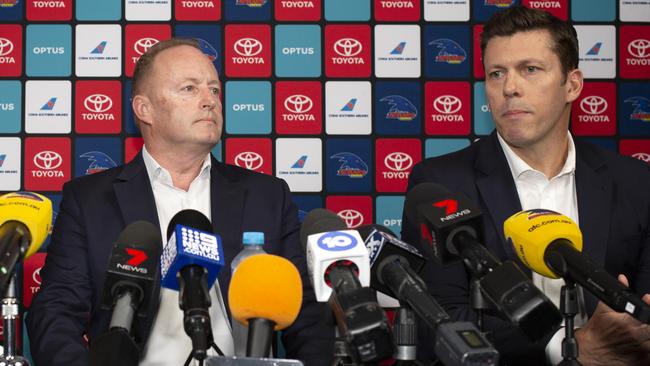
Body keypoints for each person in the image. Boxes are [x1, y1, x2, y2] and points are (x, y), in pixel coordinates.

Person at [26, 38, 334, 366]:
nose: (209, 101)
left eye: (214, 90)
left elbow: (309, 320)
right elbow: (55, 313)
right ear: (144, 109)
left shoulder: (267, 196)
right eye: (189, 88)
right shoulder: (90, 201)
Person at [401, 6, 650, 366]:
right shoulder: (441, 184)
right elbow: (437, 321)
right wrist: (567, 346)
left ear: (572, 85)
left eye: (530, 70)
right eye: (496, 73)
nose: (510, 88)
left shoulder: (635, 183)